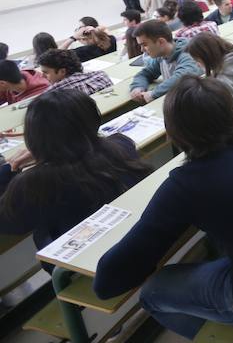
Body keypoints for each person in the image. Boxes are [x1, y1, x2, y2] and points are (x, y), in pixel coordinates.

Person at [94, 76, 233, 338]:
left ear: (175, 133)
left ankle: (222, 334)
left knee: (153, 292)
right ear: (231, 107)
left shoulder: (189, 183)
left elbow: (108, 281)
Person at [0, 90, 150, 265]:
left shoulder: (36, 182)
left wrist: (10, 168)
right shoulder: (121, 145)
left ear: (35, 136)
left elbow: (8, 222)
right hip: (130, 240)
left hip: (81, 262)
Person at [129, 20, 202, 104]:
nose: (142, 50)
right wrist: (138, 87)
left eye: (144, 45)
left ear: (161, 42)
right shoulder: (161, 55)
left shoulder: (188, 53)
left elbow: (182, 78)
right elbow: (145, 73)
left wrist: (153, 93)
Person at [38, 49, 114, 95]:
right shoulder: (101, 75)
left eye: (46, 72)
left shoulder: (51, 95)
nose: (42, 76)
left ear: (62, 71)